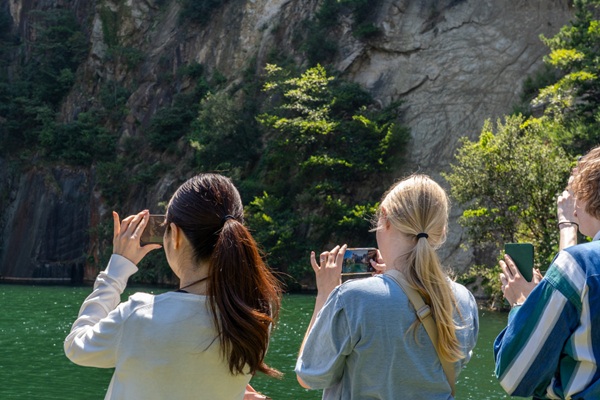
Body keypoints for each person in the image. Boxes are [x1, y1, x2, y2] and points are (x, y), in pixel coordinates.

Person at [64, 173, 281, 400]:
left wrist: (116, 270)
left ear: (175, 235)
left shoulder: (138, 315)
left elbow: (76, 346)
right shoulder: (255, 316)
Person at [295, 174, 479, 399]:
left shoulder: (353, 298)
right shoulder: (464, 299)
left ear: (385, 218)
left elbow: (309, 376)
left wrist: (325, 293)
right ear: (441, 231)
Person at [495, 146, 600, 398]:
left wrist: (522, 303)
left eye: (577, 193)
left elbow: (515, 376)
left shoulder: (579, 264)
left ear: (591, 193)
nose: (574, 206)